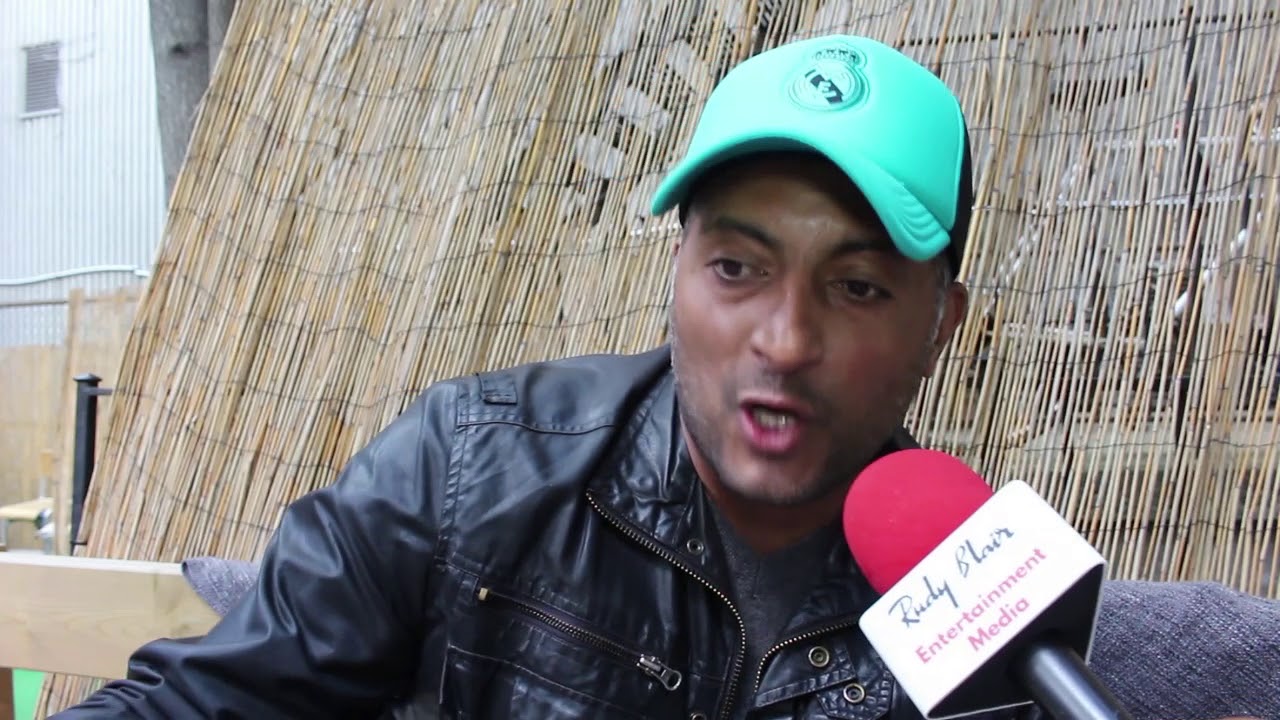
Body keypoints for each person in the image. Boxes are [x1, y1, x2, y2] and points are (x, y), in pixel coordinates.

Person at [51, 34, 1277, 720]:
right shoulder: (471, 469)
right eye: (737, 267)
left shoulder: (987, 621)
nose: (782, 339)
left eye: (855, 287)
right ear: (679, 269)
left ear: (938, 324)